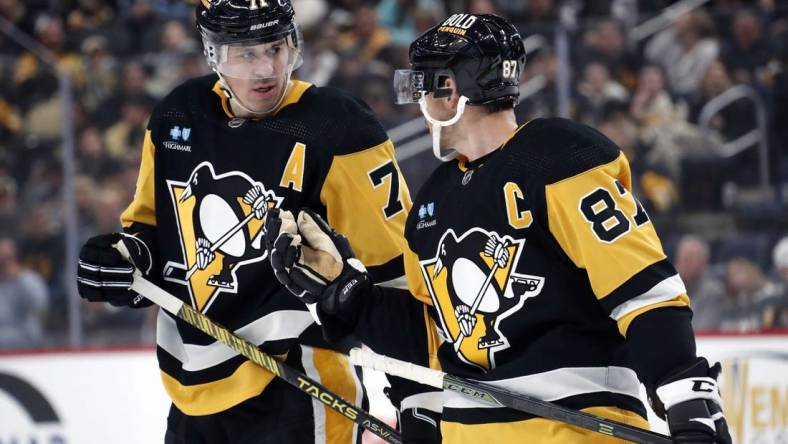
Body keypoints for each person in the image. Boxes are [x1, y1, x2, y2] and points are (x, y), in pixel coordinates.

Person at [265, 13, 733, 443]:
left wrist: (688, 397)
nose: (419, 103)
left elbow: (640, 287)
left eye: (426, 86)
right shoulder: (432, 201)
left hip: (572, 431)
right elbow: (431, 339)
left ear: (452, 89)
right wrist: (348, 294)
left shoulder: (559, 156)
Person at [75, 0, 439, 443]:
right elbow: (153, 231)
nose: (266, 68)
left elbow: (397, 278)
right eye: (245, 53)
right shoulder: (178, 115)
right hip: (190, 394)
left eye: (276, 47)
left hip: (299, 388)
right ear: (212, 54)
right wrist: (125, 260)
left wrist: (418, 398)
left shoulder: (339, 128)